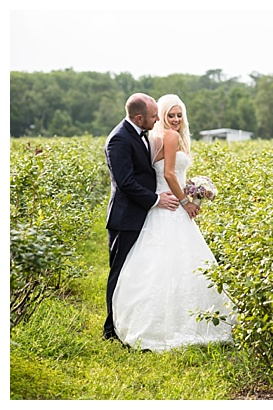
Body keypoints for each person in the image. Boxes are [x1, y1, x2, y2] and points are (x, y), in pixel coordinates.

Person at [110, 94, 234, 351]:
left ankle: (126, 322)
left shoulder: (150, 137)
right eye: (168, 115)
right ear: (145, 117)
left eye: (179, 115)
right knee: (168, 264)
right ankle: (121, 326)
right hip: (165, 204)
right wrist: (185, 199)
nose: (174, 119)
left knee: (156, 264)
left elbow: (157, 173)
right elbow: (166, 173)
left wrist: (191, 188)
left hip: (157, 205)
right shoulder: (161, 137)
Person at [103, 93, 180, 341]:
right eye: (154, 115)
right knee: (120, 272)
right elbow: (125, 183)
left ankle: (129, 322)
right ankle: (110, 330)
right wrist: (157, 199)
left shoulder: (142, 134)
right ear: (139, 117)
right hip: (125, 218)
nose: (158, 119)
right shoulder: (119, 139)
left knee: (136, 274)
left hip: (143, 215)